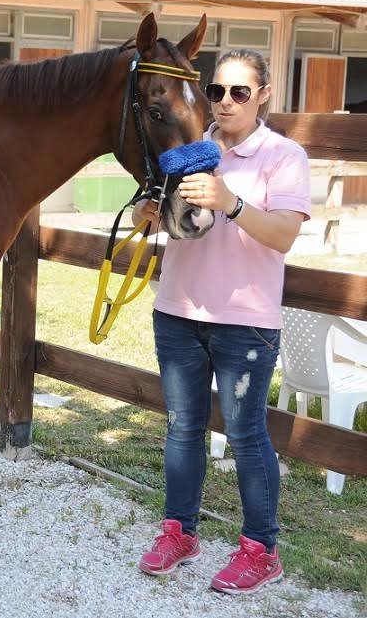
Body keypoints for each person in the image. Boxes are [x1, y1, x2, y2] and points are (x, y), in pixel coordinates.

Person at [133, 48, 311, 594]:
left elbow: (283, 235)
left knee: (245, 434)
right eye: (217, 91)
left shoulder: (283, 155)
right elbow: (152, 219)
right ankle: (179, 532)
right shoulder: (187, 145)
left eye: (239, 92)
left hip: (245, 321)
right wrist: (146, 213)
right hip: (178, 311)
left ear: (263, 96)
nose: (225, 102)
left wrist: (230, 202)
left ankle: (261, 550)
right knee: (182, 428)